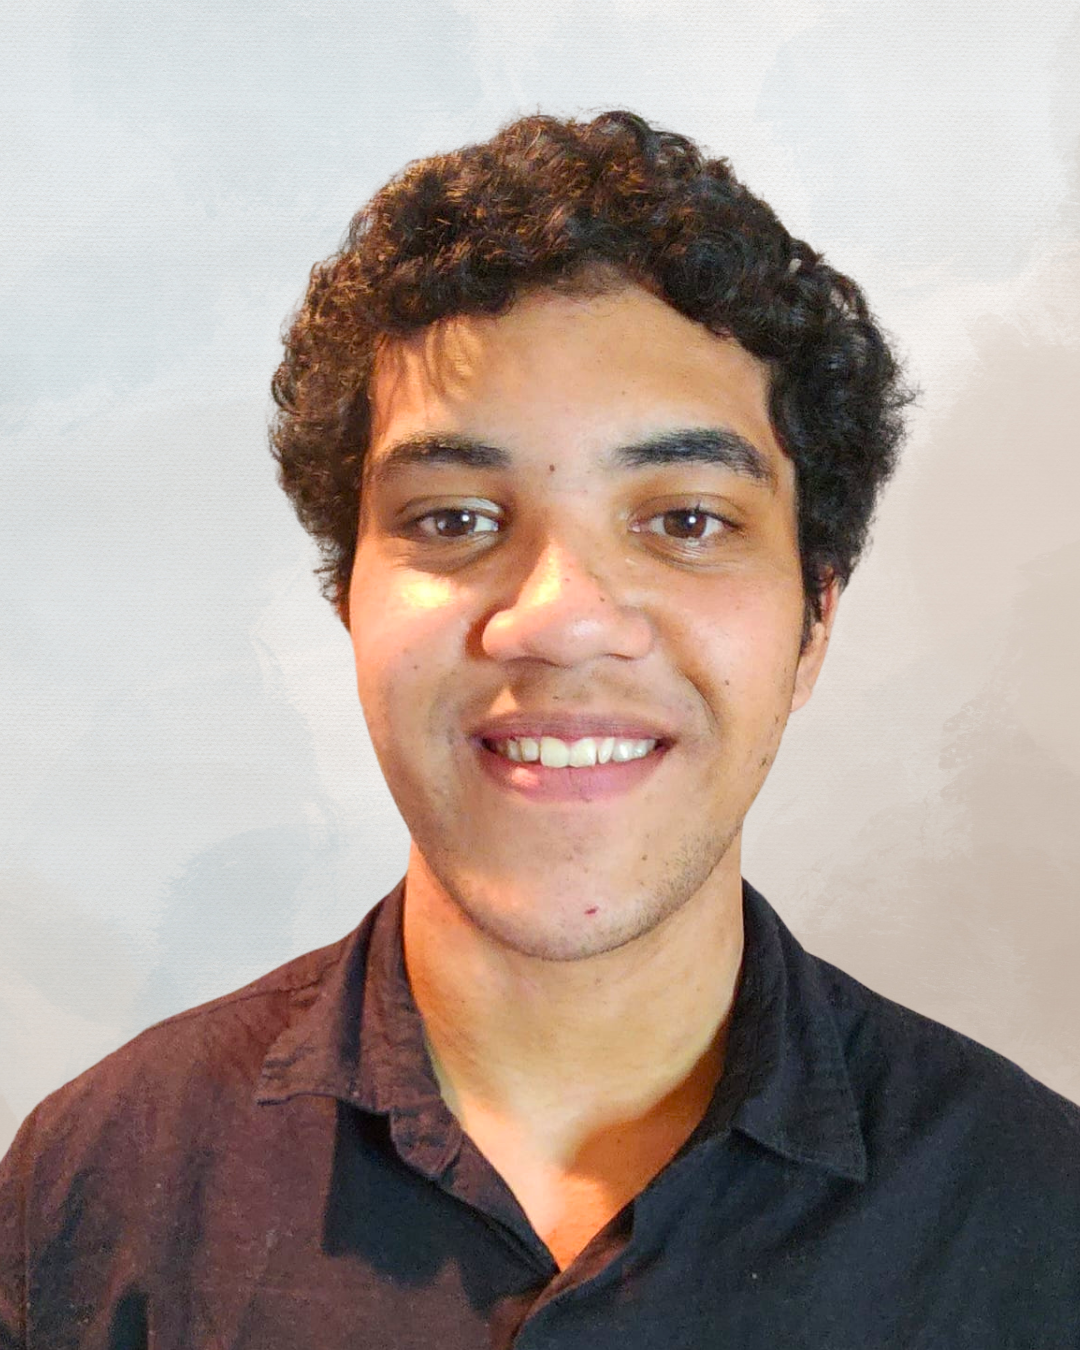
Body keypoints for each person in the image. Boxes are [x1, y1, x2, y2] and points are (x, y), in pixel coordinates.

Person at [1, 110, 1076, 1348]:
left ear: (813, 619)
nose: (561, 620)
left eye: (686, 521)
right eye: (454, 519)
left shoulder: (1039, 1222)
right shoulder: (93, 1197)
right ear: (348, 601)